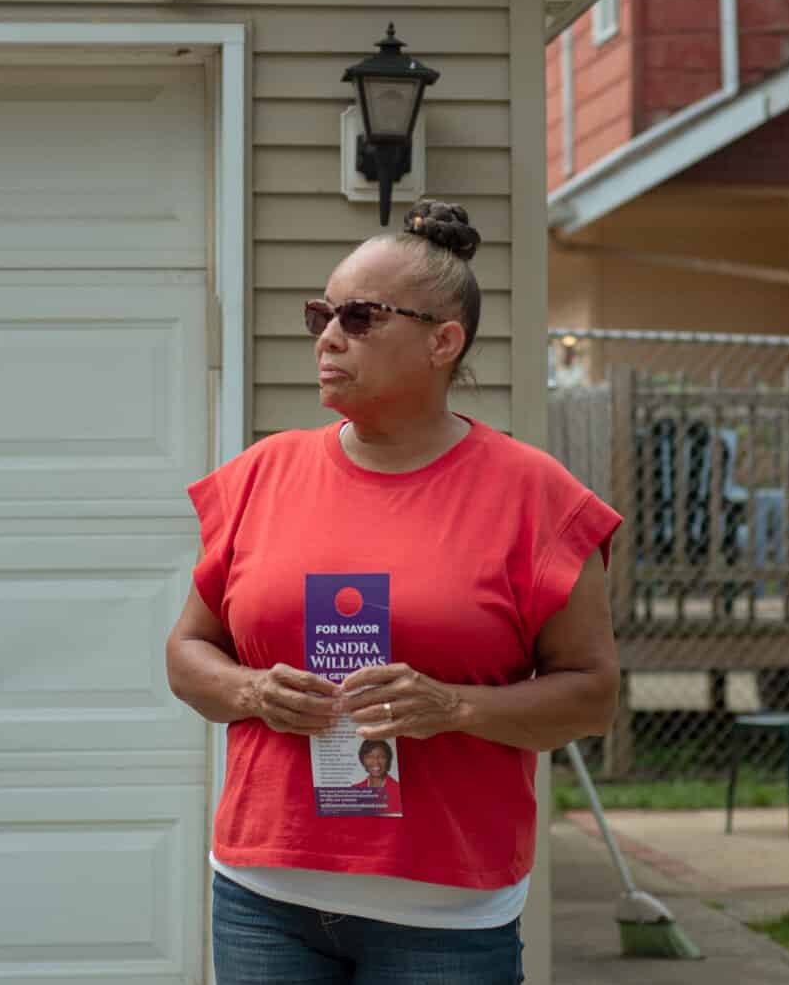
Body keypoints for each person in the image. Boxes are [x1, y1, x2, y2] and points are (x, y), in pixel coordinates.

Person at [166, 199, 622, 984]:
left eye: (360, 316)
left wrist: (455, 707)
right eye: (321, 313)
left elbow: (591, 696)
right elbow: (187, 654)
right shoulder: (261, 477)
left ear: (445, 341)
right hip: (265, 897)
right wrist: (252, 690)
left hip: (441, 916)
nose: (328, 336)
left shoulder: (534, 497)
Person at [351, 738, 403, 813]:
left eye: (382, 757)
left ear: (388, 760)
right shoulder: (355, 789)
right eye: (370, 757)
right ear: (363, 760)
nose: (376, 762)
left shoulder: (397, 790)